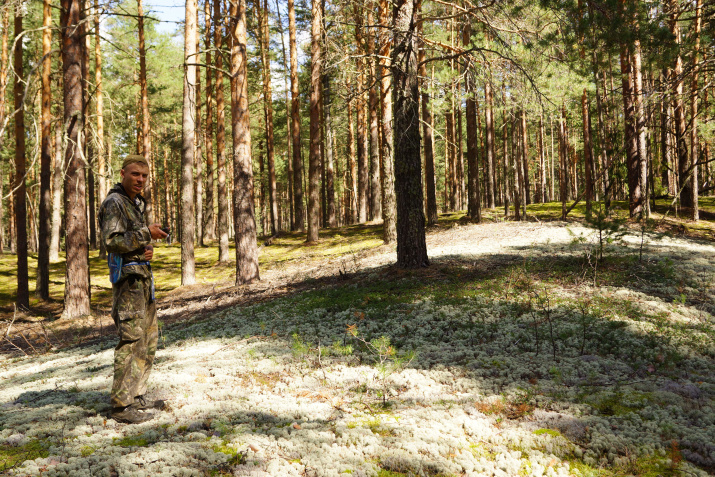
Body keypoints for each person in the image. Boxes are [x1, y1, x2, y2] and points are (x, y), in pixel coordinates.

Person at [99, 154, 169, 424]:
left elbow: (131, 243)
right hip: (128, 283)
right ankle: (120, 406)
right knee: (130, 341)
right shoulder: (114, 202)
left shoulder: (133, 203)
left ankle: (136, 395)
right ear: (123, 173)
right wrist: (146, 234)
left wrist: (146, 250)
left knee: (148, 339)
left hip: (142, 279)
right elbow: (112, 241)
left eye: (144, 176)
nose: (140, 180)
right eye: (135, 174)